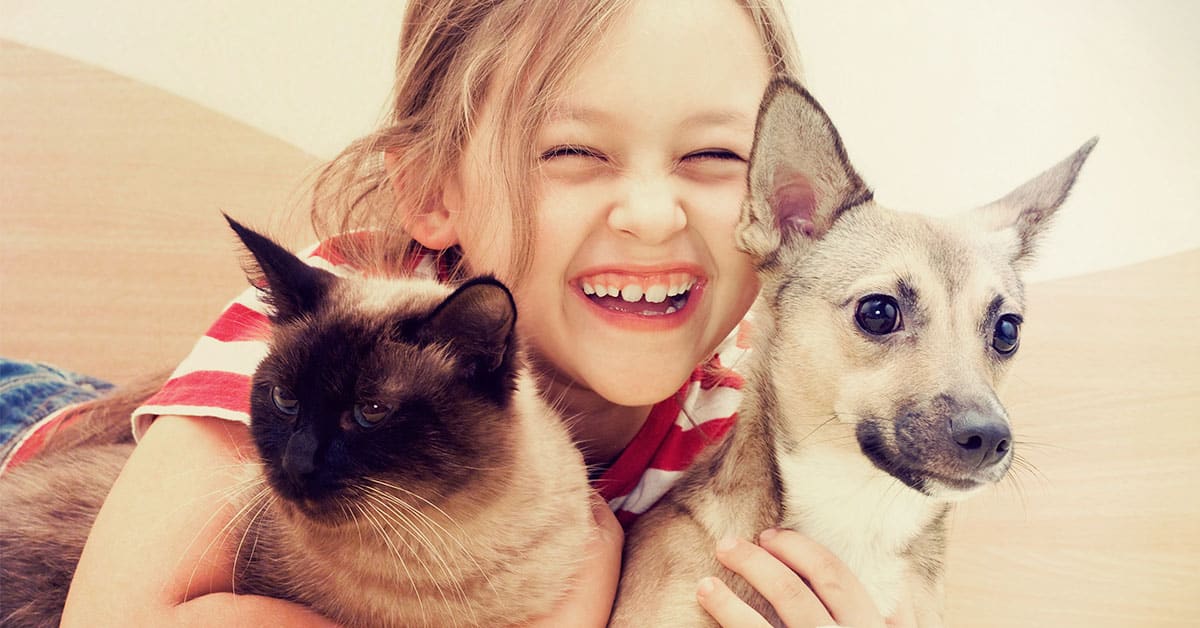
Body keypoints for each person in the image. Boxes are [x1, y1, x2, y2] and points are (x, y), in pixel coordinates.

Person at [2, 1, 908, 625]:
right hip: (60, 445)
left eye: (714, 155)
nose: (650, 214)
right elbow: (114, 613)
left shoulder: (748, 419)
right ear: (433, 193)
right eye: (574, 150)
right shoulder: (343, 320)